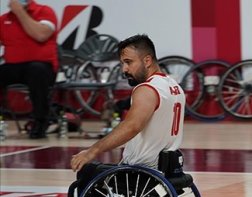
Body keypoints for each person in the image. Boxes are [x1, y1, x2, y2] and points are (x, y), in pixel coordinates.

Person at [71, 34, 185, 175]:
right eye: (122, 63)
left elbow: (131, 127)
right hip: (170, 169)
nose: (124, 69)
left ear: (147, 60)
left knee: (86, 172)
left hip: (142, 171)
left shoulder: (147, 89)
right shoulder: (174, 86)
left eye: (128, 62)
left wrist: (92, 151)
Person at [0, 0, 58, 139]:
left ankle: (40, 121)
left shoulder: (44, 11)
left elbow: (41, 35)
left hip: (42, 67)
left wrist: (20, 12)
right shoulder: (4, 19)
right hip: (13, 66)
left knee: (36, 71)